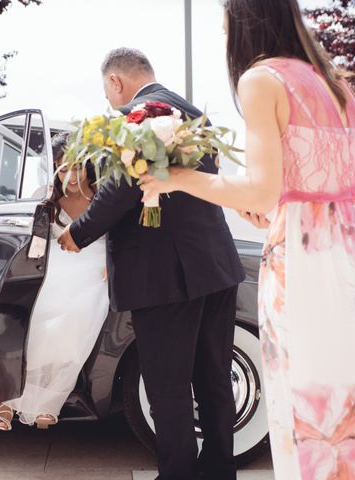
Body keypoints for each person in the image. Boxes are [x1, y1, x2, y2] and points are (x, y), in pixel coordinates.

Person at [139, 1, 355, 478]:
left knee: (309, 401)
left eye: (224, 25)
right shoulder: (338, 83)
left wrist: (176, 177)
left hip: (305, 262)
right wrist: (288, 197)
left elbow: (260, 188)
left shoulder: (262, 80)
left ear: (243, 22)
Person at [58, 48, 245, 480]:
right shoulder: (192, 112)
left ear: (114, 82)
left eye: (109, 93)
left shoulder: (136, 118)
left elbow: (120, 188)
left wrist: (79, 233)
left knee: (167, 385)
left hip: (165, 276)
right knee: (214, 377)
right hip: (215, 264)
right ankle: (219, 472)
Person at [0, 132, 110, 431]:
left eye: (77, 166)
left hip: (97, 269)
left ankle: (49, 402)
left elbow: (123, 235)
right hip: (56, 267)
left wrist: (114, 263)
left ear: (87, 165)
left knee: (78, 318)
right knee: (39, 315)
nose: (70, 176)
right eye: (62, 167)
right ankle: (10, 401)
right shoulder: (47, 199)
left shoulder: (104, 195)